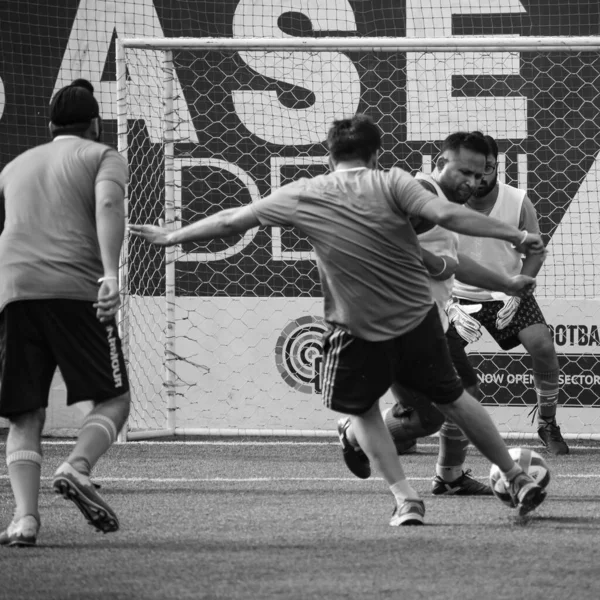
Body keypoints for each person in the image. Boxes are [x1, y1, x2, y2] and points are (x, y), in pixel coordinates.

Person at [130, 114, 548, 526]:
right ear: (377, 154)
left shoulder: (303, 192)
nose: (473, 182)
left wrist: (172, 236)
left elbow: (229, 222)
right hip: (415, 317)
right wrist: (514, 235)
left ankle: (406, 500)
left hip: (356, 323)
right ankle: (513, 476)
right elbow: (448, 217)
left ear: (329, 156)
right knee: (457, 399)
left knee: (364, 409)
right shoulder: (396, 182)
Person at [336, 132, 539, 496]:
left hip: (428, 322)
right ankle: (449, 476)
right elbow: (384, 241)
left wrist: (506, 283)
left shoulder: (441, 200)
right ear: (440, 162)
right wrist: (514, 237)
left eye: (480, 176)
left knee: (427, 417)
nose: (473, 182)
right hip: (398, 320)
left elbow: (456, 263)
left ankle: (356, 433)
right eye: (465, 172)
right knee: (464, 397)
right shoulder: (421, 193)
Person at [0, 79, 130, 547]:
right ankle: (77, 466)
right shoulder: (102, 156)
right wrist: (111, 274)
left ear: (50, 125)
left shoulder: (14, 167)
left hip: (14, 293)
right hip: (76, 291)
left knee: (25, 413)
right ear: (95, 124)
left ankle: (24, 520)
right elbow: (109, 203)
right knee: (114, 399)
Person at [448, 133, 569, 455]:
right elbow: (432, 256)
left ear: (496, 167)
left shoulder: (517, 200)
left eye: (489, 168)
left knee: (542, 345)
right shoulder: (444, 203)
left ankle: (547, 423)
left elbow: (536, 251)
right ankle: (412, 418)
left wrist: (520, 287)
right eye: (475, 169)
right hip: (455, 296)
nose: (482, 176)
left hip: (509, 291)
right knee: (434, 360)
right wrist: (447, 302)